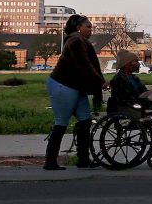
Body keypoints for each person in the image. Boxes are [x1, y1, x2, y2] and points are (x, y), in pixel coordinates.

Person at [44, 14, 108, 170]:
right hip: (63, 85)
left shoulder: (79, 41)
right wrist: (100, 82)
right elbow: (84, 65)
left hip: (75, 87)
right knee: (61, 123)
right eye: (88, 26)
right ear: (79, 28)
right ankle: (50, 161)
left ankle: (83, 159)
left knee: (85, 121)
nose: (91, 29)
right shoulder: (76, 42)